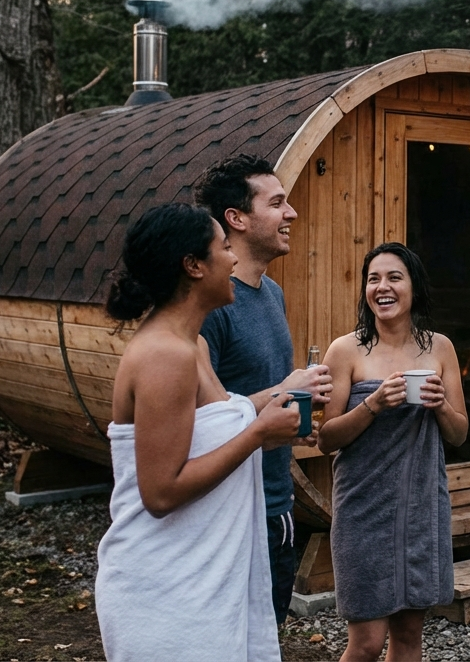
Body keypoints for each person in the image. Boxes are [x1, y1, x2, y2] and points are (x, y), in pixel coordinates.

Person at [95, 202, 303, 661]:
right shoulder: (163, 356)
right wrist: (258, 435)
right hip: (167, 588)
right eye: (224, 248)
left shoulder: (192, 348)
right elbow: (161, 491)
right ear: (192, 266)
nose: (233, 259)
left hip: (206, 579)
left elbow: (211, 422)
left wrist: (277, 404)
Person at [194, 153, 332, 627]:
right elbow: (195, 419)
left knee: (266, 639)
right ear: (236, 218)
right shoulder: (210, 307)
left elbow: (253, 398)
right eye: (277, 203)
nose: (291, 213)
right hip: (228, 511)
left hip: (277, 503)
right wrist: (283, 390)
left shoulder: (270, 293)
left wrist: (296, 420)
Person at [317, 243, 470, 662]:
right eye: (373, 279)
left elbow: (458, 435)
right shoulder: (345, 350)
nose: (382, 287)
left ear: (414, 289)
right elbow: (327, 438)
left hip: (422, 506)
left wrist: (440, 406)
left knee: (408, 636)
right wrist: (373, 404)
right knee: (365, 644)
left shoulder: (440, 348)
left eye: (393, 277)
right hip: (364, 509)